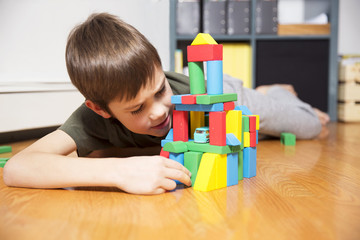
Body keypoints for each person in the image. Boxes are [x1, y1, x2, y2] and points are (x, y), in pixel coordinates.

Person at [3, 13, 329, 195]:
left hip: (219, 94)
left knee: (311, 124)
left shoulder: (177, 91)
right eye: (136, 109)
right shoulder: (91, 119)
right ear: (100, 110)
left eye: (158, 91)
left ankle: (274, 91)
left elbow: (166, 95)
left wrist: (166, 91)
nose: (159, 111)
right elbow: (18, 168)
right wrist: (118, 171)